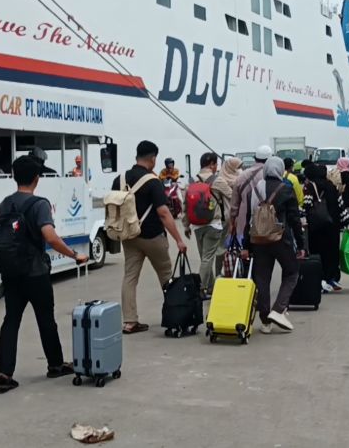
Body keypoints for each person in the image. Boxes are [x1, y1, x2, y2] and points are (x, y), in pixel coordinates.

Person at [0, 154, 89, 392]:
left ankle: (4, 372)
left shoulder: (4, 204)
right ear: (37, 178)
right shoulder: (39, 204)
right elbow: (50, 236)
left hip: (11, 271)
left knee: (11, 320)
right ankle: (55, 365)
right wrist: (73, 254)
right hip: (35, 272)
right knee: (45, 318)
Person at [112, 141, 187, 335]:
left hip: (129, 236)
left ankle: (129, 322)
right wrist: (178, 239)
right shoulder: (153, 181)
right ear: (153, 158)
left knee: (130, 277)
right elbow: (163, 212)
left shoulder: (119, 179)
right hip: (153, 236)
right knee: (166, 277)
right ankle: (174, 318)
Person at [241, 157, 304, 334]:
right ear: (281, 169)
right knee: (292, 272)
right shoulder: (286, 189)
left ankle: (265, 321)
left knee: (262, 279)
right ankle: (278, 309)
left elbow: (249, 220)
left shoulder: (254, 191)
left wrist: (246, 246)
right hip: (280, 239)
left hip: (258, 240)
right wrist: (301, 244)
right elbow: (294, 219)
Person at [182, 152, 230, 297]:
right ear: (212, 164)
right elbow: (232, 195)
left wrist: (186, 225)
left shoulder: (191, 182)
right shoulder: (218, 180)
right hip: (213, 224)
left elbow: (185, 206)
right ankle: (201, 288)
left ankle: (210, 287)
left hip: (197, 226)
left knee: (205, 256)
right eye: (216, 164)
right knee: (207, 258)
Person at [302, 164, 349, 292]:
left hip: (316, 227)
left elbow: (306, 204)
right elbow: (341, 205)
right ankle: (331, 278)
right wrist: (344, 222)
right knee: (332, 252)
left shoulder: (310, 187)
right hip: (332, 226)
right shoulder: (332, 186)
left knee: (317, 253)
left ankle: (320, 279)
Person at [230, 145, 272, 241]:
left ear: (255, 159)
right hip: (268, 223)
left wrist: (232, 223)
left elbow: (234, 205)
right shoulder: (271, 176)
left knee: (245, 251)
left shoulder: (242, 176)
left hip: (244, 221)